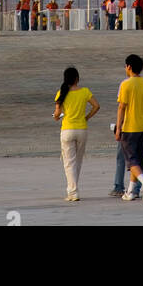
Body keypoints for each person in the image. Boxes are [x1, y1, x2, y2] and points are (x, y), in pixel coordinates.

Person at [53, 66, 100, 201]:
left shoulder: (61, 93)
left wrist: (57, 116)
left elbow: (57, 115)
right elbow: (96, 106)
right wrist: (86, 117)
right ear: (77, 79)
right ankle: (73, 189)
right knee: (77, 162)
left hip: (67, 130)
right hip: (82, 129)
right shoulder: (85, 92)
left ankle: (73, 192)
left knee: (69, 162)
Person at [115, 54, 143, 201]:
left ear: (129, 67)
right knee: (137, 160)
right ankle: (131, 191)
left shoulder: (125, 84)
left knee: (131, 161)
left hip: (130, 127)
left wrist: (118, 128)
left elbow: (121, 108)